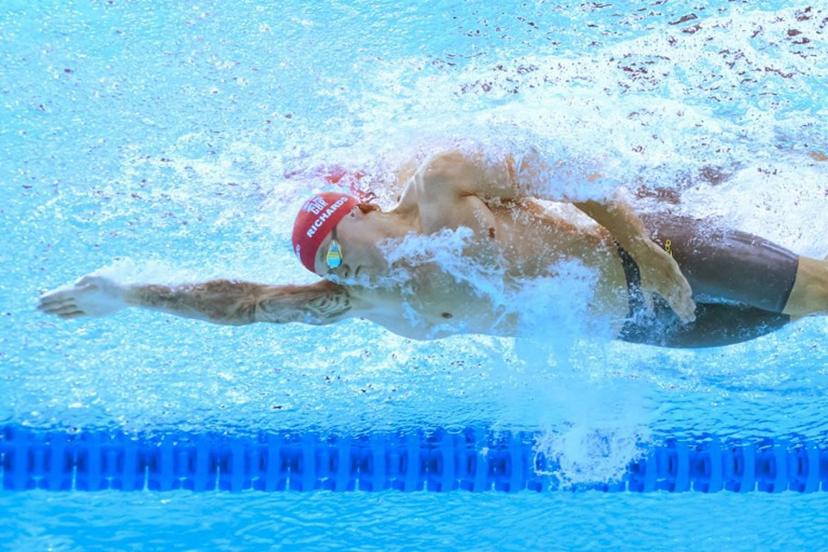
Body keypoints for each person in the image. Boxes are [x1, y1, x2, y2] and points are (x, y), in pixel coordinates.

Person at [37, 146, 828, 348]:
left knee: (815, 293)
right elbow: (244, 304)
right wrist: (133, 294)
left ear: (362, 210)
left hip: (655, 257)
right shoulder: (366, 299)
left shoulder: (444, 185)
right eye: (327, 270)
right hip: (643, 329)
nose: (340, 272)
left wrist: (645, 248)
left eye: (338, 251)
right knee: (790, 315)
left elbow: (572, 170)